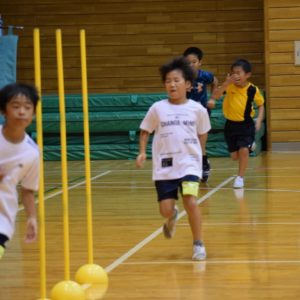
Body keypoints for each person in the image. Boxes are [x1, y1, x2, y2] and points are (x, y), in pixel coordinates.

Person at [136, 57, 211, 260]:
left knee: (191, 200)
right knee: (165, 210)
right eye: (168, 81)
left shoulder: (198, 110)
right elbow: (144, 131)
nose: (172, 84)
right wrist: (142, 152)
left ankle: (198, 243)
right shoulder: (157, 108)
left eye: (176, 80)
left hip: (189, 165)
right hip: (165, 167)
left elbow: (203, 133)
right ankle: (172, 216)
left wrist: (199, 154)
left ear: (188, 84)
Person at [0, 82, 40, 259]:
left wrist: (31, 218)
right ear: (4, 111)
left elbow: (28, 189)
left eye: (27, 107)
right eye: (16, 106)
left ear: (33, 113)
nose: (22, 112)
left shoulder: (31, 153)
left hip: (2, 218)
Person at [212, 59, 264, 188]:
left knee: (243, 151)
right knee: (235, 156)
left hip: (246, 125)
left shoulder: (253, 89)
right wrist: (226, 83)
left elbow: (261, 105)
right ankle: (249, 144)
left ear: (247, 75)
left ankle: (240, 177)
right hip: (230, 125)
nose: (236, 75)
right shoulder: (229, 86)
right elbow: (215, 95)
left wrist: (259, 120)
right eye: (233, 73)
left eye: (239, 72)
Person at [183, 47, 218, 182]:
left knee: (200, 140)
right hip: (186, 114)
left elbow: (215, 82)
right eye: (188, 62)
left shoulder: (205, 76)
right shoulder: (182, 77)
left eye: (194, 61)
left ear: (200, 63)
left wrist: (212, 98)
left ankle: (203, 164)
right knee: (189, 140)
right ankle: (191, 166)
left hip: (202, 112)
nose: (191, 65)